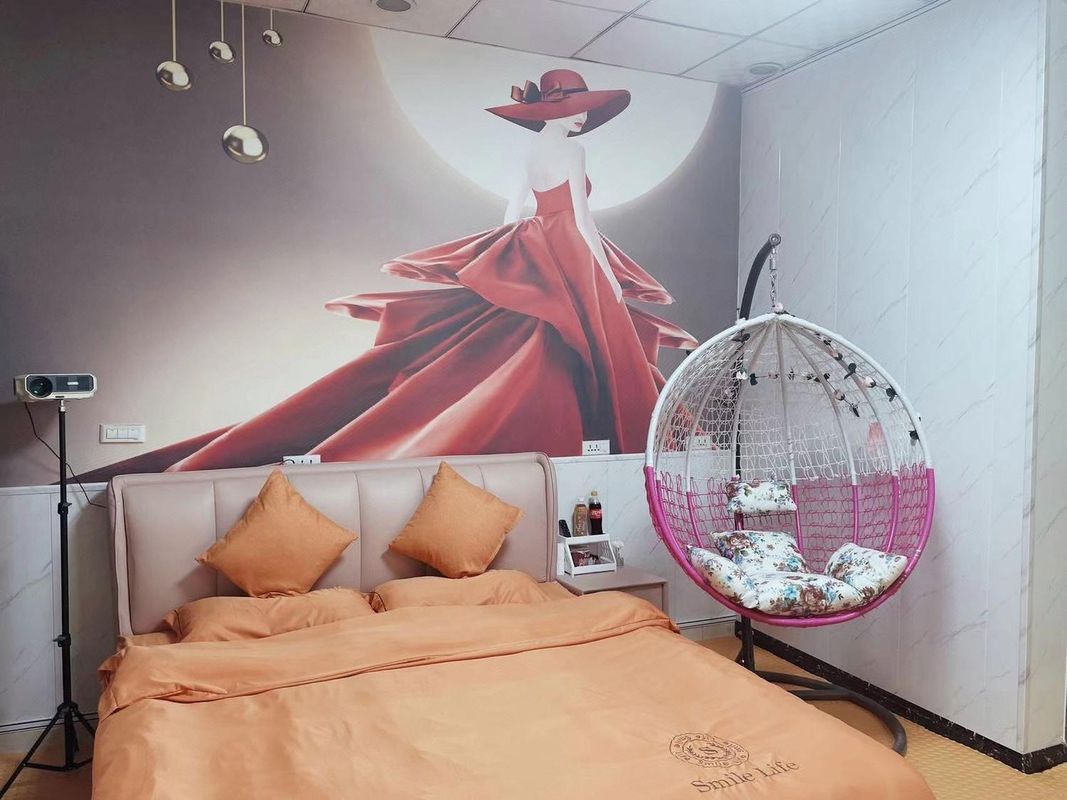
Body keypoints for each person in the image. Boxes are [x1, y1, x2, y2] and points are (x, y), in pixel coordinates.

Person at [86, 69, 697, 479]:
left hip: (532, 245)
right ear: (558, 113)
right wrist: (604, 279)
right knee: (584, 348)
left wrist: (503, 260)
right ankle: (591, 455)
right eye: (578, 111)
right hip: (569, 252)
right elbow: (582, 222)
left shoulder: (531, 151)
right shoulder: (573, 151)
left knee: (524, 342)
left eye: (584, 113)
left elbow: (513, 215)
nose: (583, 121)